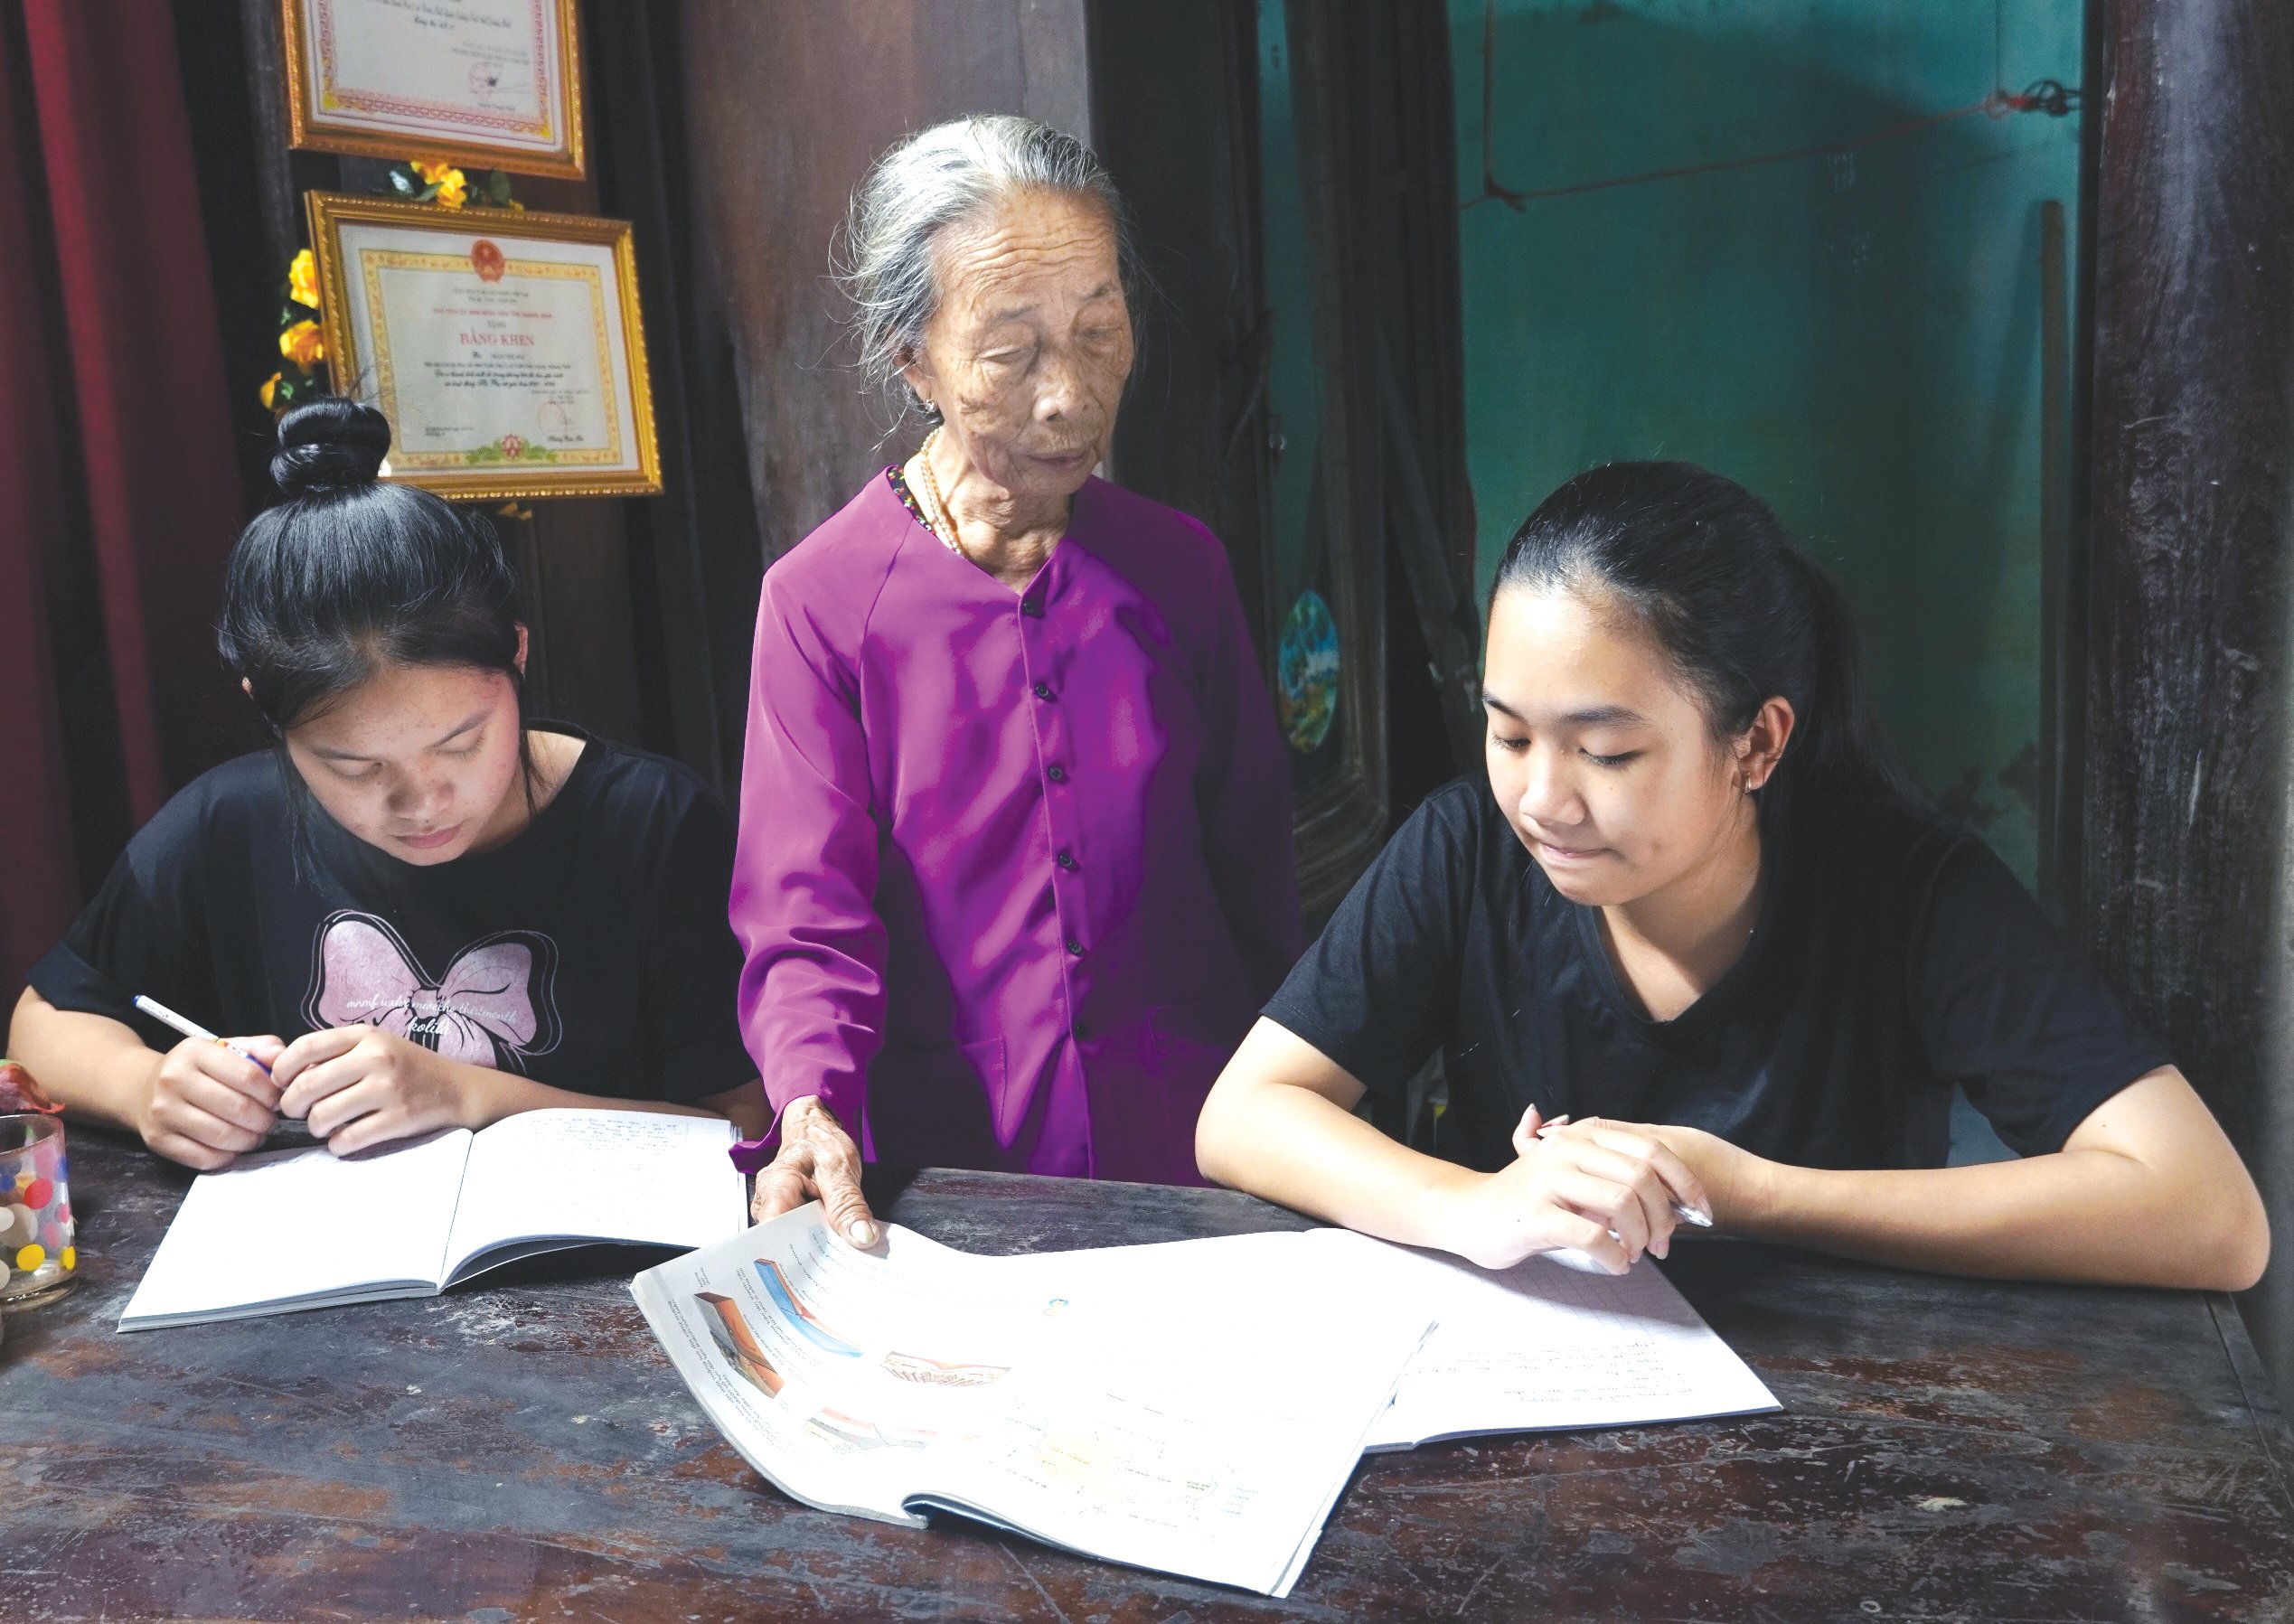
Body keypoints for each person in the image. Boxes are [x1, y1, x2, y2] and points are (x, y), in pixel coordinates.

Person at [1196, 461, 2269, 1291]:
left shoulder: (1908, 890)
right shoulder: (1464, 847)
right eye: (1509, 734)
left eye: (1606, 752)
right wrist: (1477, 1206)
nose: (1542, 800)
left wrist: (1751, 1193)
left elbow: (2210, 1218)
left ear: (1756, 744)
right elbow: (1243, 1115)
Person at [736, 115, 1300, 1242]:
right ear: (916, 361)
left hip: (1203, 1149)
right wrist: (809, 1098)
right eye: (1012, 351)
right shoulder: (820, 603)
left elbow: (1257, 868)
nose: (1070, 395)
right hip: (955, 1181)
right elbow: (808, 920)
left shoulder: (1180, 568)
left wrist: (1317, 1085)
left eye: (1100, 332)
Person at [7, 399, 766, 1167]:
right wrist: (146, 1086)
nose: (423, 801)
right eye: (354, 767)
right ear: (269, 719)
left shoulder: (653, 825)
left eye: (462, 743)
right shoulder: (228, 824)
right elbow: (45, 1021)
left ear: (519, 656)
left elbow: (747, 1120)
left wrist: (468, 1094)